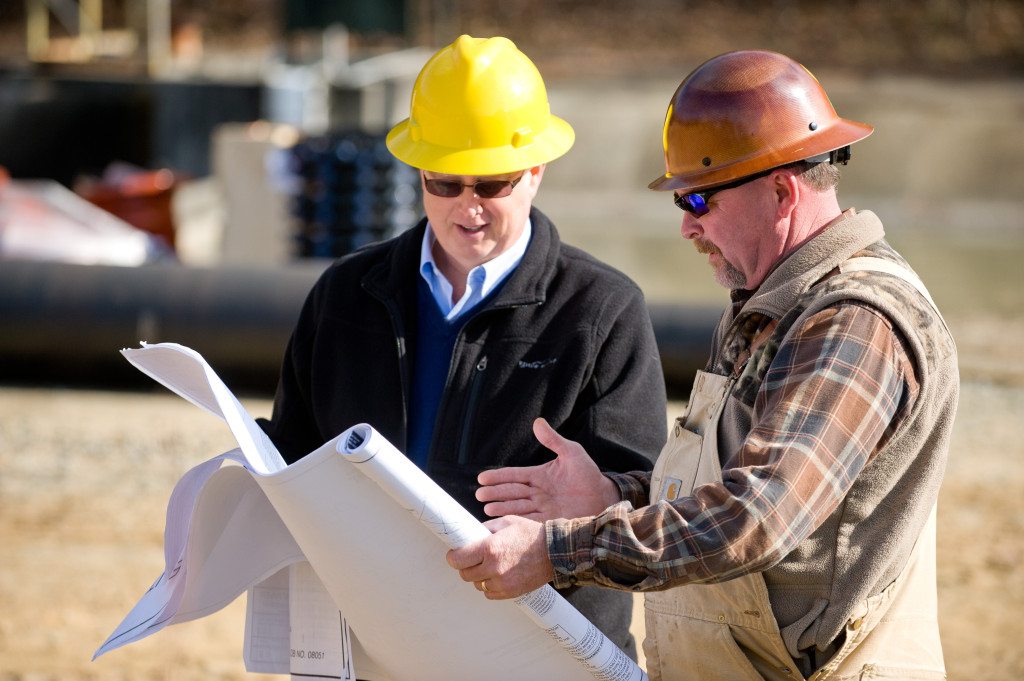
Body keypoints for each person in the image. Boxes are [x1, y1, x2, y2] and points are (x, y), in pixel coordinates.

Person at [447, 49, 959, 681]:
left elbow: (757, 516)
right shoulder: (767, 302)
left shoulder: (856, 322)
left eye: (698, 202)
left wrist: (559, 551)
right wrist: (615, 497)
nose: (687, 228)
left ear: (779, 189)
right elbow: (722, 483)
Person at [258, 34, 668, 660]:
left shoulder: (602, 310)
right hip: (371, 639)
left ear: (535, 171)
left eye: (491, 185)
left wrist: (608, 499)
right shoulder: (345, 295)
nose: (467, 208)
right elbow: (297, 447)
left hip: (535, 649)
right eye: (444, 183)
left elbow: (653, 500)